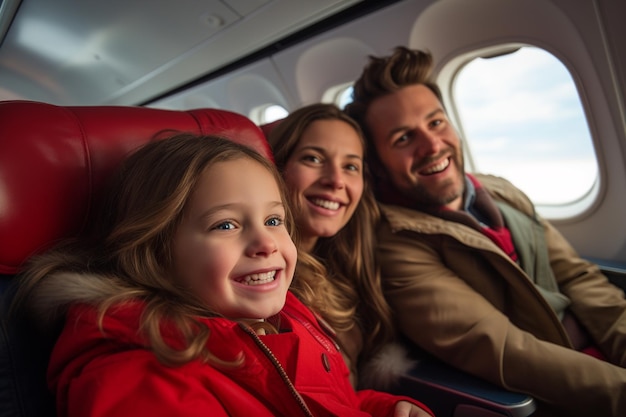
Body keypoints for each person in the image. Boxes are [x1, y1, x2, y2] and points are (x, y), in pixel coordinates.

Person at [9, 133, 433, 417]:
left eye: (274, 220)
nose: (266, 243)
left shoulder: (286, 320)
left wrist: (384, 408)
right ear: (156, 252)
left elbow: (328, 402)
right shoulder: (138, 381)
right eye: (226, 225)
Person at [344, 46, 626, 417]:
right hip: (566, 391)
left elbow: (577, 276)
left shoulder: (501, 191)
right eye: (403, 139)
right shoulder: (395, 245)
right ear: (377, 165)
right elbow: (507, 350)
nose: (432, 146)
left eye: (436, 122)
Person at [267, 103, 400, 388]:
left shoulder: (348, 264)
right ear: (277, 167)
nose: (336, 181)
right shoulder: (263, 288)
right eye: (313, 159)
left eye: (350, 166)